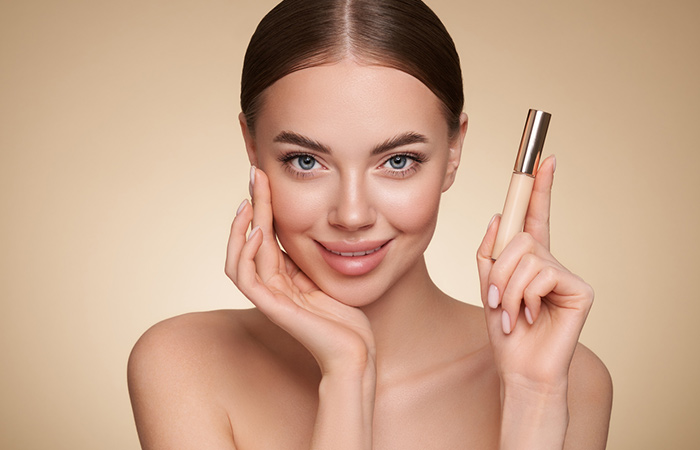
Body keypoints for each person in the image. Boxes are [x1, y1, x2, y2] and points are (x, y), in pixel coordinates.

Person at [127, 0, 613, 448]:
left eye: (398, 161)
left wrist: (532, 401)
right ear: (252, 149)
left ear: (453, 152)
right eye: (305, 160)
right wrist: (346, 376)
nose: (352, 215)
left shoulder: (567, 378)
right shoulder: (184, 365)